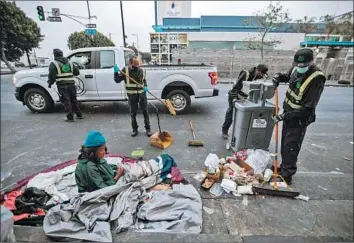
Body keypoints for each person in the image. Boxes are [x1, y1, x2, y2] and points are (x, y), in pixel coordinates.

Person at [271, 48, 326, 184]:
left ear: (311, 62)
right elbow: (288, 76)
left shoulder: (317, 78)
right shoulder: (295, 69)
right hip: (288, 112)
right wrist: (279, 77)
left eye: (304, 65)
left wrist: (284, 116)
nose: (300, 67)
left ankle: (287, 175)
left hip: (299, 118)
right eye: (298, 64)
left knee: (291, 145)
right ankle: (283, 168)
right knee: (285, 142)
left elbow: (308, 108)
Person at [222, 64, 269, 139]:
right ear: (257, 70)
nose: (261, 75)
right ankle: (225, 131)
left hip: (243, 97)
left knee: (243, 116)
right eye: (260, 73)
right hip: (234, 94)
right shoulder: (246, 74)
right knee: (231, 112)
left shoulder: (258, 76)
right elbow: (236, 87)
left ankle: (240, 133)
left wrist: (265, 77)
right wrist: (234, 98)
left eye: (262, 74)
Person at [114, 56, 152, 137]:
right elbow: (117, 80)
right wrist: (115, 72)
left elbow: (144, 80)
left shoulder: (142, 70)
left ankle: (148, 129)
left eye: (138, 64)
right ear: (130, 64)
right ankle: (135, 129)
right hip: (131, 95)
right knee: (133, 113)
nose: (137, 66)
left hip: (142, 94)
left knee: (145, 111)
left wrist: (145, 86)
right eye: (135, 65)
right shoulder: (125, 70)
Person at [48, 48, 83, 122]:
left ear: (55, 55)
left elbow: (52, 76)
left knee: (67, 101)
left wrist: (50, 83)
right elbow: (77, 72)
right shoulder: (70, 62)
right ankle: (79, 115)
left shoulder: (54, 64)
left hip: (62, 86)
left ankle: (70, 118)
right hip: (72, 85)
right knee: (74, 100)